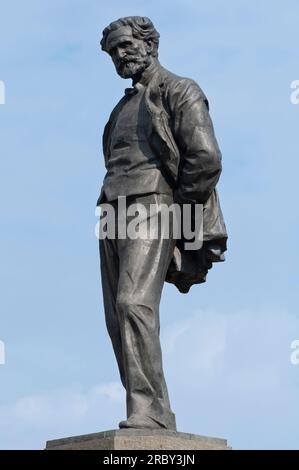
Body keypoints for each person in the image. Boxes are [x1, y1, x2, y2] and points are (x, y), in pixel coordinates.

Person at [97, 16, 227, 430]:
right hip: (110, 210)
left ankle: (149, 410)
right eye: (113, 51)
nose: (120, 55)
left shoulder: (179, 89)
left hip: (153, 204)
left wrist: (179, 212)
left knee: (132, 303)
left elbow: (205, 158)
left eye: (125, 46)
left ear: (149, 43)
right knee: (117, 317)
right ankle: (149, 409)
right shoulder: (122, 106)